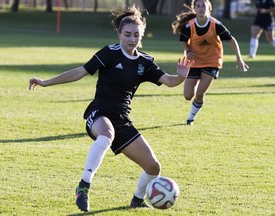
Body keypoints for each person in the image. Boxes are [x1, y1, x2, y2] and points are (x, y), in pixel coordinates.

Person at [29, 5, 194, 212]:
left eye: (136, 35)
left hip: (122, 119)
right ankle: (84, 186)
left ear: (141, 35)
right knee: (106, 135)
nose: (131, 39)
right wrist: (45, 82)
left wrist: (181, 76)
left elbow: (169, 81)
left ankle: (137, 200)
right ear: (119, 34)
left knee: (153, 167)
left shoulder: (145, 62)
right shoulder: (109, 53)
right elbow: (80, 72)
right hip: (99, 112)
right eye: (127, 35)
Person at [172, 0, 249, 125]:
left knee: (200, 93)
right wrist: (187, 50)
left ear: (209, 8)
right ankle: (195, 87)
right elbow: (184, 41)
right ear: (194, 8)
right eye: (198, 6)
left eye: (204, 6)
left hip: (212, 61)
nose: (201, 8)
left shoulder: (215, 24)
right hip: (194, 62)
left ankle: (190, 118)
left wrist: (239, 58)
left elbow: (231, 39)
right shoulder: (189, 26)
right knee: (187, 95)